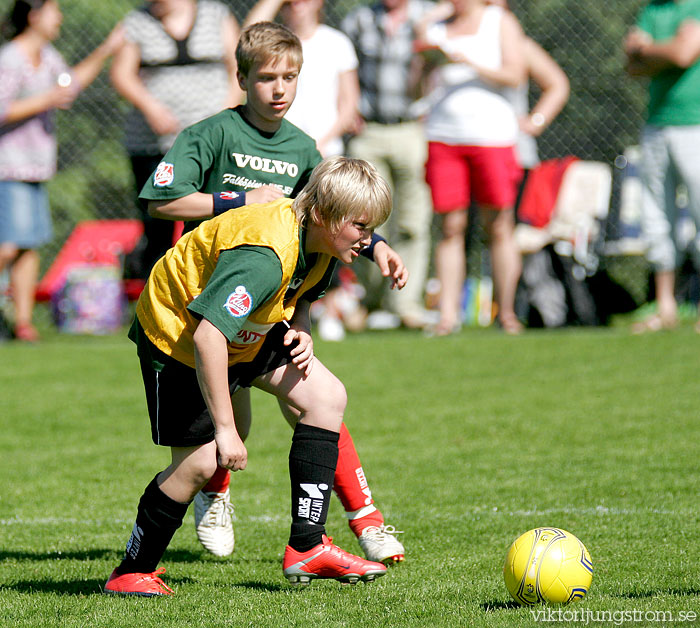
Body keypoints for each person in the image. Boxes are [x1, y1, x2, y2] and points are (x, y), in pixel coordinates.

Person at [138, 21, 407, 565]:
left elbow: (334, 212)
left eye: (290, 77)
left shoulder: (304, 147)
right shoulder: (211, 134)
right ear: (241, 78)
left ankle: (359, 519)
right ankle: (209, 501)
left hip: (267, 304)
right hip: (208, 300)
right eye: (266, 78)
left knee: (318, 396)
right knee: (225, 428)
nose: (279, 88)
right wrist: (235, 200)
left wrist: (375, 243)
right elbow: (161, 201)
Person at [104, 156, 394, 596]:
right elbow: (208, 336)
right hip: (177, 333)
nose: (367, 240)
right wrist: (226, 430)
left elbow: (302, 295)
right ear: (322, 215)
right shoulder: (264, 254)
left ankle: (308, 546)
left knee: (327, 397)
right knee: (199, 464)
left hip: (245, 328)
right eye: (360, 227)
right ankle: (131, 571)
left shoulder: (325, 243)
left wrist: (301, 329)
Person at [0, 0, 123, 342]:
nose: (61, 18)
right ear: (34, 15)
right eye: (55, 11)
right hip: (6, 167)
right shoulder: (10, 59)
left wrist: (105, 51)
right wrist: (47, 99)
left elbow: (68, 85)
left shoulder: (49, 56)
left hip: (36, 167)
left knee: (28, 246)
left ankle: (22, 323)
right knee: (8, 246)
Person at [243, 0, 362, 341]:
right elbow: (246, 36)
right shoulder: (273, 44)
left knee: (327, 235)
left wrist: (322, 142)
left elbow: (348, 103)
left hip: (324, 155)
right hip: (278, 157)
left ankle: (326, 309)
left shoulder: (335, 42)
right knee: (283, 238)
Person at [416, 0, 526, 335]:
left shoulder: (500, 21)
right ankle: (448, 316)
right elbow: (417, 86)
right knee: (450, 227)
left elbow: (516, 74)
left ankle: (506, 314)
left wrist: (470, 62)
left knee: (499, 225)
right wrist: (424, 45)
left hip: (493, 138)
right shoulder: (437, 27)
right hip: (443, 138)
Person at [110, 0, 242, 279]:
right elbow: (122, 74)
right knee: (156, 222)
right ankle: (154, 294)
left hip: (211, 145)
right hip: (153, 144)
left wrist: (226, 117)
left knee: (214, 215)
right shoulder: (137, 22)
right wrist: (150, 107)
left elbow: (237, 67)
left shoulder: (216, 15)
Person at [341, 0, 434, 331]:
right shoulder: (359, 20)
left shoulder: (428, 18)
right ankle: (371, 299)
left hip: (413, 128)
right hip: (370, 131)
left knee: (413, 220)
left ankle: (406, 303)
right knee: (365, 217)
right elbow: (344, 69)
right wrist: (347, 107)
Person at [624, 0, 700, 333]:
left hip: (695, 124)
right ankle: (665, 305)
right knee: (655, 214)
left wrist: (647, 49)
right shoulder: (652, 10)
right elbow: (632, 66)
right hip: (656, 124)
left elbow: (685, 55)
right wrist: (665, 50)